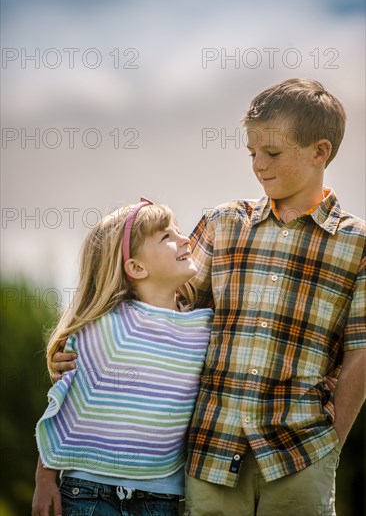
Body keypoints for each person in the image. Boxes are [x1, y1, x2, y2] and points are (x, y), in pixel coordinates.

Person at [52, 78, 365, 516]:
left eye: (272, 153)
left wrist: (333, 440)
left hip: (302, 450)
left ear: (320, 151)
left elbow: (360, 352)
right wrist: (85, 345)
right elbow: (158, 303)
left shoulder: (357, 244)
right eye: (252, 153)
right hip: (212, 451)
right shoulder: (222, 224)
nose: (258, 164)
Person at [32, 198, 213, 516]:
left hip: (161, 496)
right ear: (137, 268)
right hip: (88, 492)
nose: (185, 240)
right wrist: (44, 479)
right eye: (166, 237)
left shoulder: (204, 328)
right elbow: (65, 408)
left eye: (177, 231)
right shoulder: (107, 329)